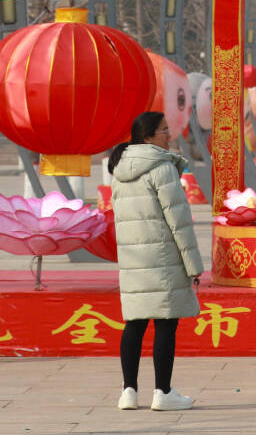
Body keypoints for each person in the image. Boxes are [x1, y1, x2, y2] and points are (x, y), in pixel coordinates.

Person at [109, 111, 204, 411]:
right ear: (148, 136)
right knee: (165, 323)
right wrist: (194, 266)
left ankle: (128, 391)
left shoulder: (120, 170)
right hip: (164, 259)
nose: (169, 135)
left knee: (134, 323)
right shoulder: (162, 168)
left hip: (134, 259)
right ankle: (163, 392)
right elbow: (179, 222)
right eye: (164, 130)